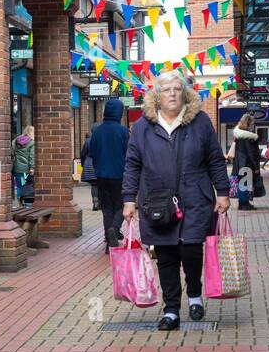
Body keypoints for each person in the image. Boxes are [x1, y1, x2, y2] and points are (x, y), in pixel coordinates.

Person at [122, 71, 230, 331]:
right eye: (166, 90)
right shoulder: (143, 127)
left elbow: (215, 159)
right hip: (157, 201)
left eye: (176, 89)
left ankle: (194, 295)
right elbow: (132, 164)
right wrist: (128, 199)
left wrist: (223, 192)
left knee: (191, 249)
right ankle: (171, 310)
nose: (172, 94)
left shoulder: (200, 122)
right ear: (157, 97)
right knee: (167, 253)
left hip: (195, 197)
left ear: (184, 93)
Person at [88, 97, 130, 252]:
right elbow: (130, 154)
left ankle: (108, 243)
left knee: (106, 208)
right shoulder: (123, 131)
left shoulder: (97, 130)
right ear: (119, 113)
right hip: (119, 175)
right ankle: (114, 228)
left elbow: (91, 152)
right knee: (120, 206)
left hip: (101, 175)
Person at [228, 113, 262, 211]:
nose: (253, 125)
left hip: (239, 163)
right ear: (248, 123)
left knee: (242, 184)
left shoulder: (239, 135)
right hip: (247, 163)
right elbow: (251, 153)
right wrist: (256, 167)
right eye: (252, 123)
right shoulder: (248, 136)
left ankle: (243, 203)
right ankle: (244, 204)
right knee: (245, 185)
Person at [12, 125, 35, 207]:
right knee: (27, 187)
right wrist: (32, 167)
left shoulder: (15, 141)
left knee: (19, 186)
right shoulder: (32, 142)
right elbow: (31, 157)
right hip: (26, 170)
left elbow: (12, 153)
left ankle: (20, 202)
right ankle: (26, 205)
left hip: (17, 168)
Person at [80, 132, 98, 212]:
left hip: (89, 165)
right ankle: (101, 203)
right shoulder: (100, 140)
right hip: (100, 165)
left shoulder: (87, 141)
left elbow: (83, 154)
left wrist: (83, 164)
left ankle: (95, 202)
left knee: (94, 185)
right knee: (101, 185)